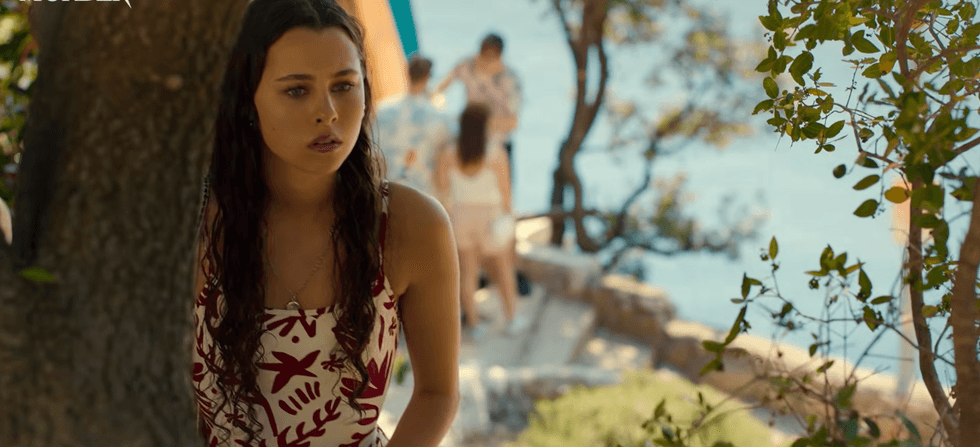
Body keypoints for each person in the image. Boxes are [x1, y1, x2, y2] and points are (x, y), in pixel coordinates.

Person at [192, 1, 460, 446]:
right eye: (297, 90)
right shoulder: (196, 223)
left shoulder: (410, 225)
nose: (329, 112)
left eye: (344, 85)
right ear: (247, 99)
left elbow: (437, 393)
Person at [436, 103, 527, 340]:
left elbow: (442, 189)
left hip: (460, 217)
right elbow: (507, 195)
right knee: (504, 271)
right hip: (491, 217)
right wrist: (511, 220)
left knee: (467, 274)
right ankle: (512, 319)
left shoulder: (448, 152)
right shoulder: (496, 152)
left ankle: (475, 325)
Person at [434, 33, 522, 180]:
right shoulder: (467, 66)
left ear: (500, 57)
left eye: (491, 58)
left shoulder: (510, 80)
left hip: (498, 144)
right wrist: (441, 112)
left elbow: (513, 122)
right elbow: (438, 90)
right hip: (468, 143)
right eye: (483, 56)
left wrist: (476, 123)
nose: (485, 63)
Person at [375, 55, 453, 200]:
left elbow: (374, 154)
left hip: (388, 191)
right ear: (428, 76)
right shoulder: (440, 118)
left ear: (407, 73)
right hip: (425, 194)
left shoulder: (383, 110)